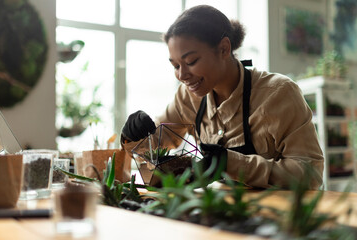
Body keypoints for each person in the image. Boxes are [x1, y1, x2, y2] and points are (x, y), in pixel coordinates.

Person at [121, 5, 324, 189]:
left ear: (224, 49)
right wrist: (133, 136)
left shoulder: (278, 94)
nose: (182, 75)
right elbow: (156, 142)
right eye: (175, 66)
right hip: (223, 212)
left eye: (191, 61)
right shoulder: (188, 97)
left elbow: (311, 175)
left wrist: (232, 163)